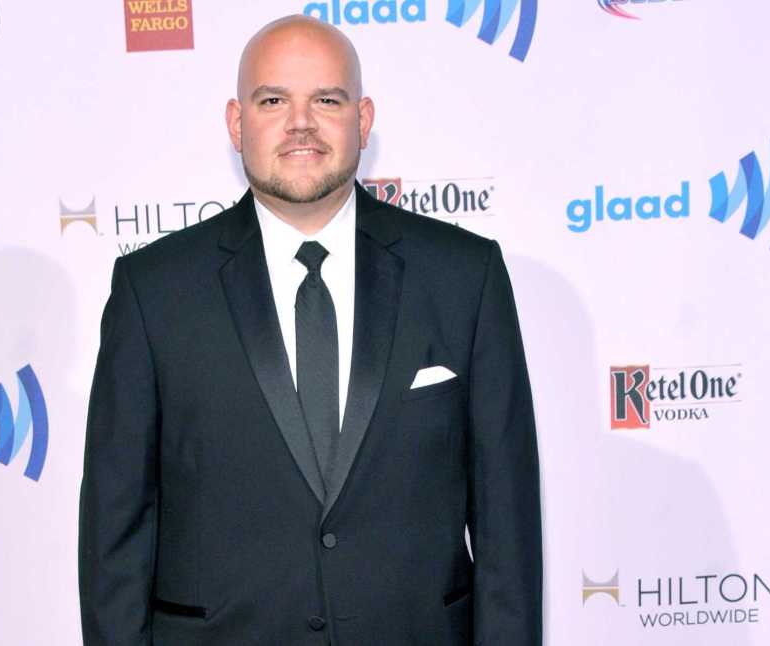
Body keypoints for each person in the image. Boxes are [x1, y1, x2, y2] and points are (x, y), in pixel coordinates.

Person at [79, 14, 541, 646]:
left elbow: (507, 526)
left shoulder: (464, 276)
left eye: (327, 100)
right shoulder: (153, 290)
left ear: (363, 120)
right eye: (273, 101)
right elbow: (115, 531)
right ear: (237, 124)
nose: (301, 123)